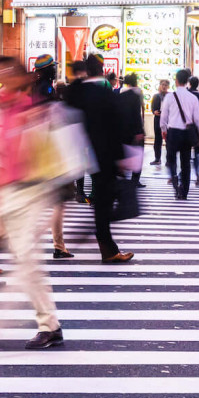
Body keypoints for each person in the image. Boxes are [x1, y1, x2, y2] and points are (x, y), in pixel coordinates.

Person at [0, 61, 67, 349]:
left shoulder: (35, 109)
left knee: (26, 260)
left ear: (23, 77)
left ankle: (48, 324)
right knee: (23, 259)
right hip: (7, 191)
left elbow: (46, 153)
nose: (3, 80)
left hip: (29, 191)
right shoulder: (0, 106)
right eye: (0, 76)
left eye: (9, 75)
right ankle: (48, 324)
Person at [60, 53, 134, 262]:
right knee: (104, 202)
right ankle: (105, 245)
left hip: (81, 152)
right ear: (101, 70)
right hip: (105, 156)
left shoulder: (76, 91)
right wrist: (121, 158)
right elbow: (118, 126)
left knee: (101, 200)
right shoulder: (106, 93)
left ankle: (106, 245)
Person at [159, 68, 199, 200]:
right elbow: (198, 119)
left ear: (176, 80)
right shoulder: (193, 98)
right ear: (187, 81)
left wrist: (164, 130)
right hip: (187, 133)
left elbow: (164, 117)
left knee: (171, 160)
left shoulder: (169, 97)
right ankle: (184, 192)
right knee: (185, 163)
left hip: (173, 132)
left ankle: (175, 185)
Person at [149, 78, 168, 169]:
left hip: (168, 121)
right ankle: (157, 158)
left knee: (168, 141)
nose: (164, 86)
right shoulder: (156, 96)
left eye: (165, 85)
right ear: (160, 85)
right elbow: (152, 108)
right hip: (157, 120)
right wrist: (154, 112)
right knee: (157, 141)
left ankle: (169, 160)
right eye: (162, 85)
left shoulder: (170, 96)